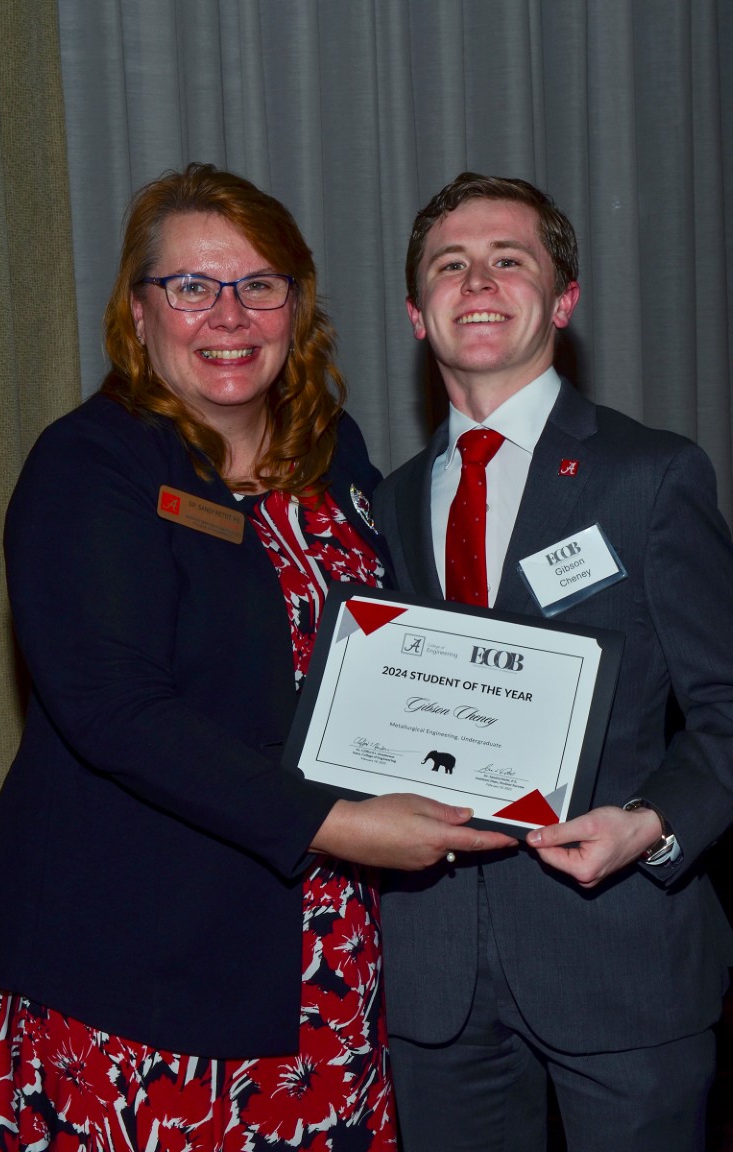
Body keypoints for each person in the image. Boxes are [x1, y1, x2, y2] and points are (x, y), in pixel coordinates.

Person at [0, 163, 514, 1152]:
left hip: (321, 944)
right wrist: (340, 824)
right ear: (139, 313)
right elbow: (115, 711)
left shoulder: (334, 453)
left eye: (260, 284)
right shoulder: (92, 465)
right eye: (192, 286)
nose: (229, 314)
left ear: (296, 307)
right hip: (137, 952)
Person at [374, 172, 733, 1152]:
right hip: (432, 973)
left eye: (509, 259)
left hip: (620, 951)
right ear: (416, 314)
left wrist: (652, 824)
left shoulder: (651, 475)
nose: (477, 281)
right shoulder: (383, 503)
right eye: (450, 265)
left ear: (564, 301)